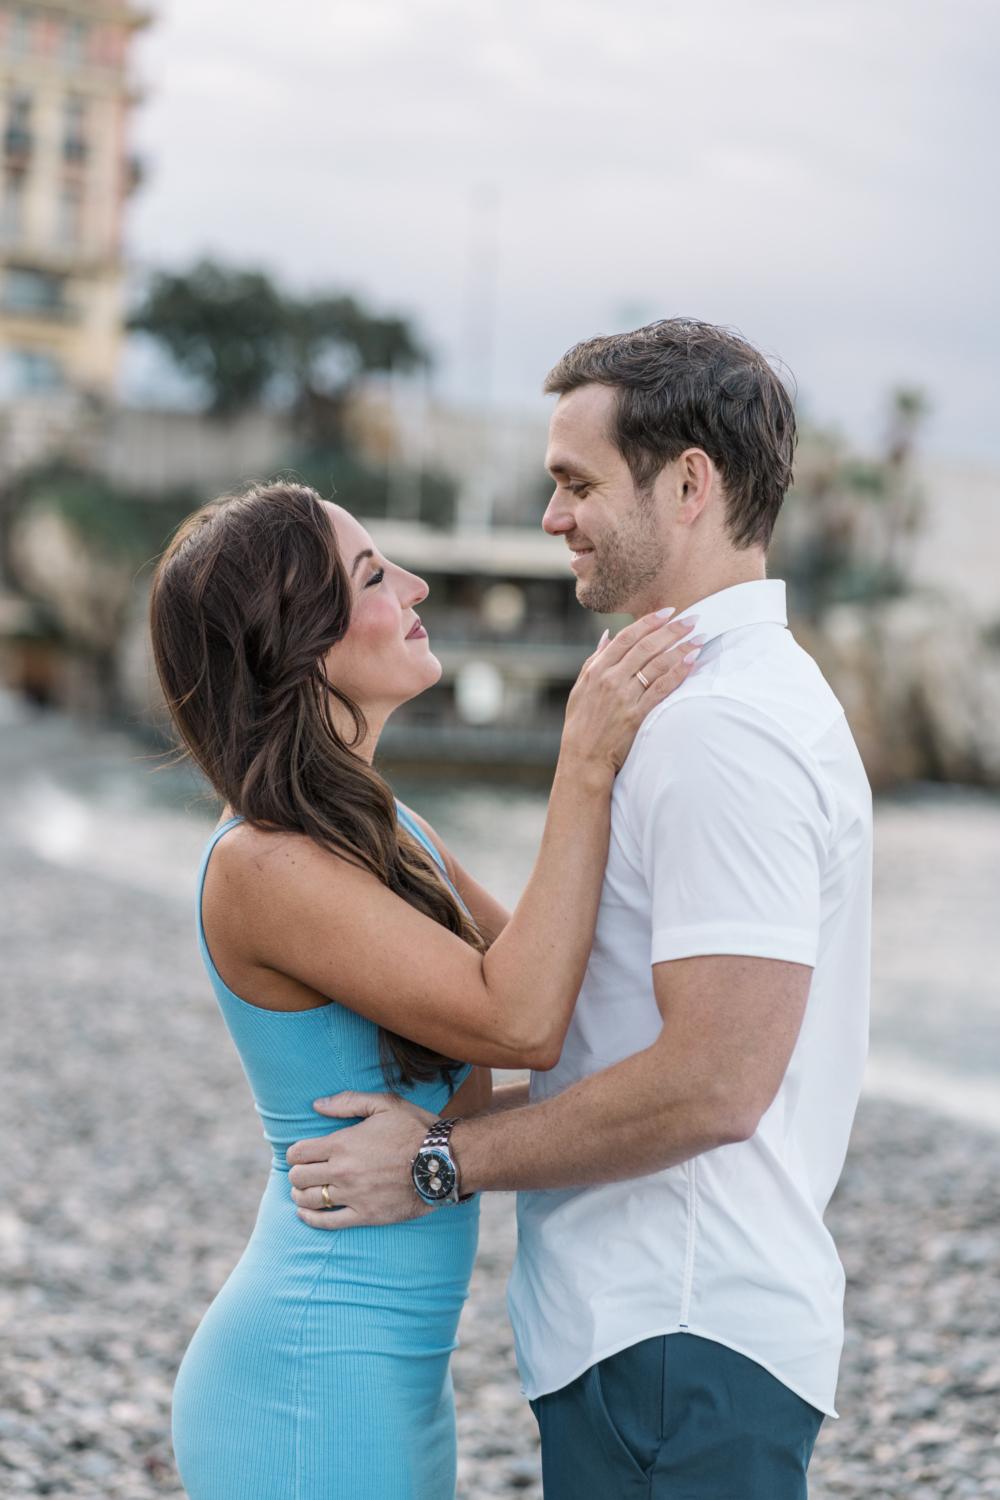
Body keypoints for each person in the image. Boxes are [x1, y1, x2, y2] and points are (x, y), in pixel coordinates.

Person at [286, 320, 874, 1499]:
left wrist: (440, 1163)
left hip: (677, 1330)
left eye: (575, 483)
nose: (551, 517)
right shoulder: (706, 701)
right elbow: (576, 973)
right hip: (659, 1333)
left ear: (691, 485)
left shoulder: (721, 732)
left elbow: (716, 1082)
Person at [150, 479, 697, 1500]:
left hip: (389, 1374)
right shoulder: (263, 864)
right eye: (370, 574)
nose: (416, 584)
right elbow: (520, 1020)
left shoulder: (388, 834)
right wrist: (581, 763)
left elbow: (566, 984)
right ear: (295, 642)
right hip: (312, 1370)